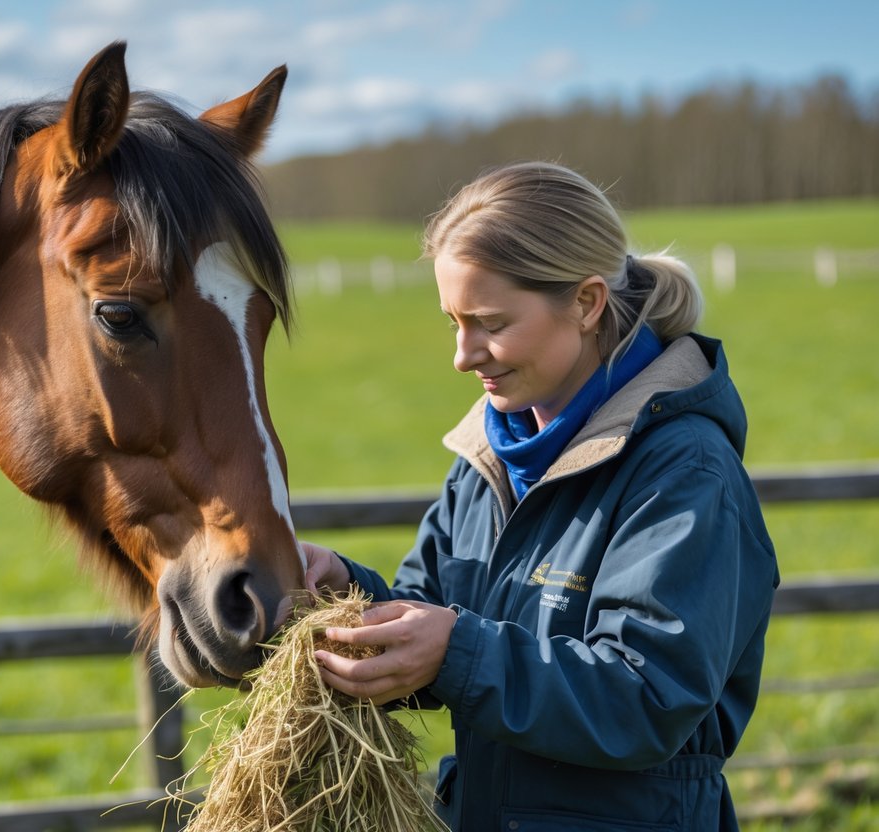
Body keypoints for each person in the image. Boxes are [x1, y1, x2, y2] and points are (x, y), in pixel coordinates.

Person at [302, 161, 779, 830]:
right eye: (453, 323)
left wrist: (454, 650)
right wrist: (342, 595)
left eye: (489, 322)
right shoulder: (485, 458)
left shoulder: (684, 468)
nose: (463, 356)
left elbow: (645, 699)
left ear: (585, 304)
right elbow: (433, 620)